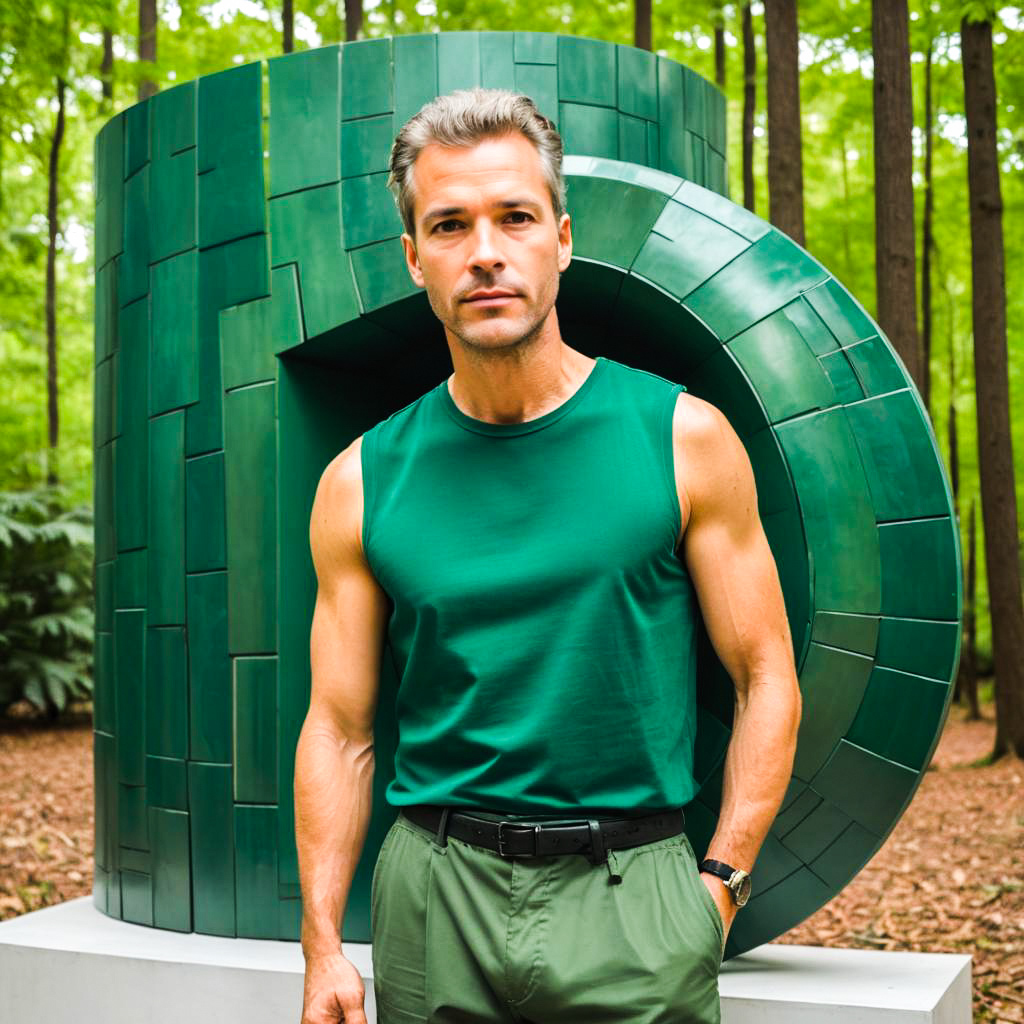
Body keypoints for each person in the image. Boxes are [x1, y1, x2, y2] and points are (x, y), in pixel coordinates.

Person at [294, 87, 802, 1024]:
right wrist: (323, 947)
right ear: (416, 258)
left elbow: (765, 673)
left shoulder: (684, 438)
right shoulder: (359, 480)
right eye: (449, 224)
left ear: (561, 240)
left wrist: (718, 884)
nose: (485, 250)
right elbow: (338, 726)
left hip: (637, 898)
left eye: (514, 217)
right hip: (434, 902)